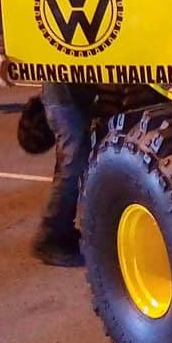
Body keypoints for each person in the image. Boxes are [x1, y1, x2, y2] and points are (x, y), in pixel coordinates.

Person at [31, 82, 98, 266]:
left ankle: (62, 229)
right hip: (64, 98)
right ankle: (50, 235)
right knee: (72, 163)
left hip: (71, 97)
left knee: (71, 162)